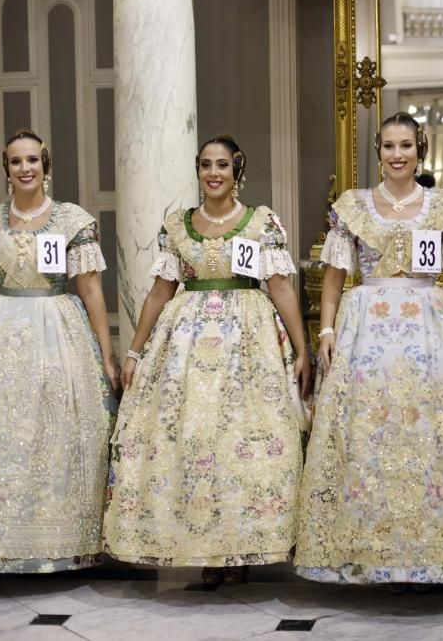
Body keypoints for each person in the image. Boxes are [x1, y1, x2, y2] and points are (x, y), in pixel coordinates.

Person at [295, 112, 443, 586]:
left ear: (419, 149)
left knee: (438, 434)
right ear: (377, 152)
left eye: (406, 146)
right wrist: (328, 331)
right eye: (388, 146)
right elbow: (334, 279)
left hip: (433, 327)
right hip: (366, 331)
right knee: (369, 434)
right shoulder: (353, 207)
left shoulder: (441, 206)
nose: (397, 155)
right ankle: (368, 551)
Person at [103, 134, 309, 583]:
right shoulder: (177, 225)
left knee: (240, 442)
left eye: (221, 165)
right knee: (194, 441)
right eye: (205, 165)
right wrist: (136, 349)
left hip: (248, 342)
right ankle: (204, 552)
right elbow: (160, 291)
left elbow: (280, 288)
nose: (213, 173)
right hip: (185, 346)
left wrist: (302, 348)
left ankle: (238, 552)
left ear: (238, 170)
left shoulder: (260, 223)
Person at [0, 129, 117, 572]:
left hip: (57, 332)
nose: (25, 168)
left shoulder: (71, 221)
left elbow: (91, 290)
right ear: (6, 170)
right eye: (15, 161)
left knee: (54, 431)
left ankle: (60, 541)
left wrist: (106, 353)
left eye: (32, 160)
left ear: (46, 165)